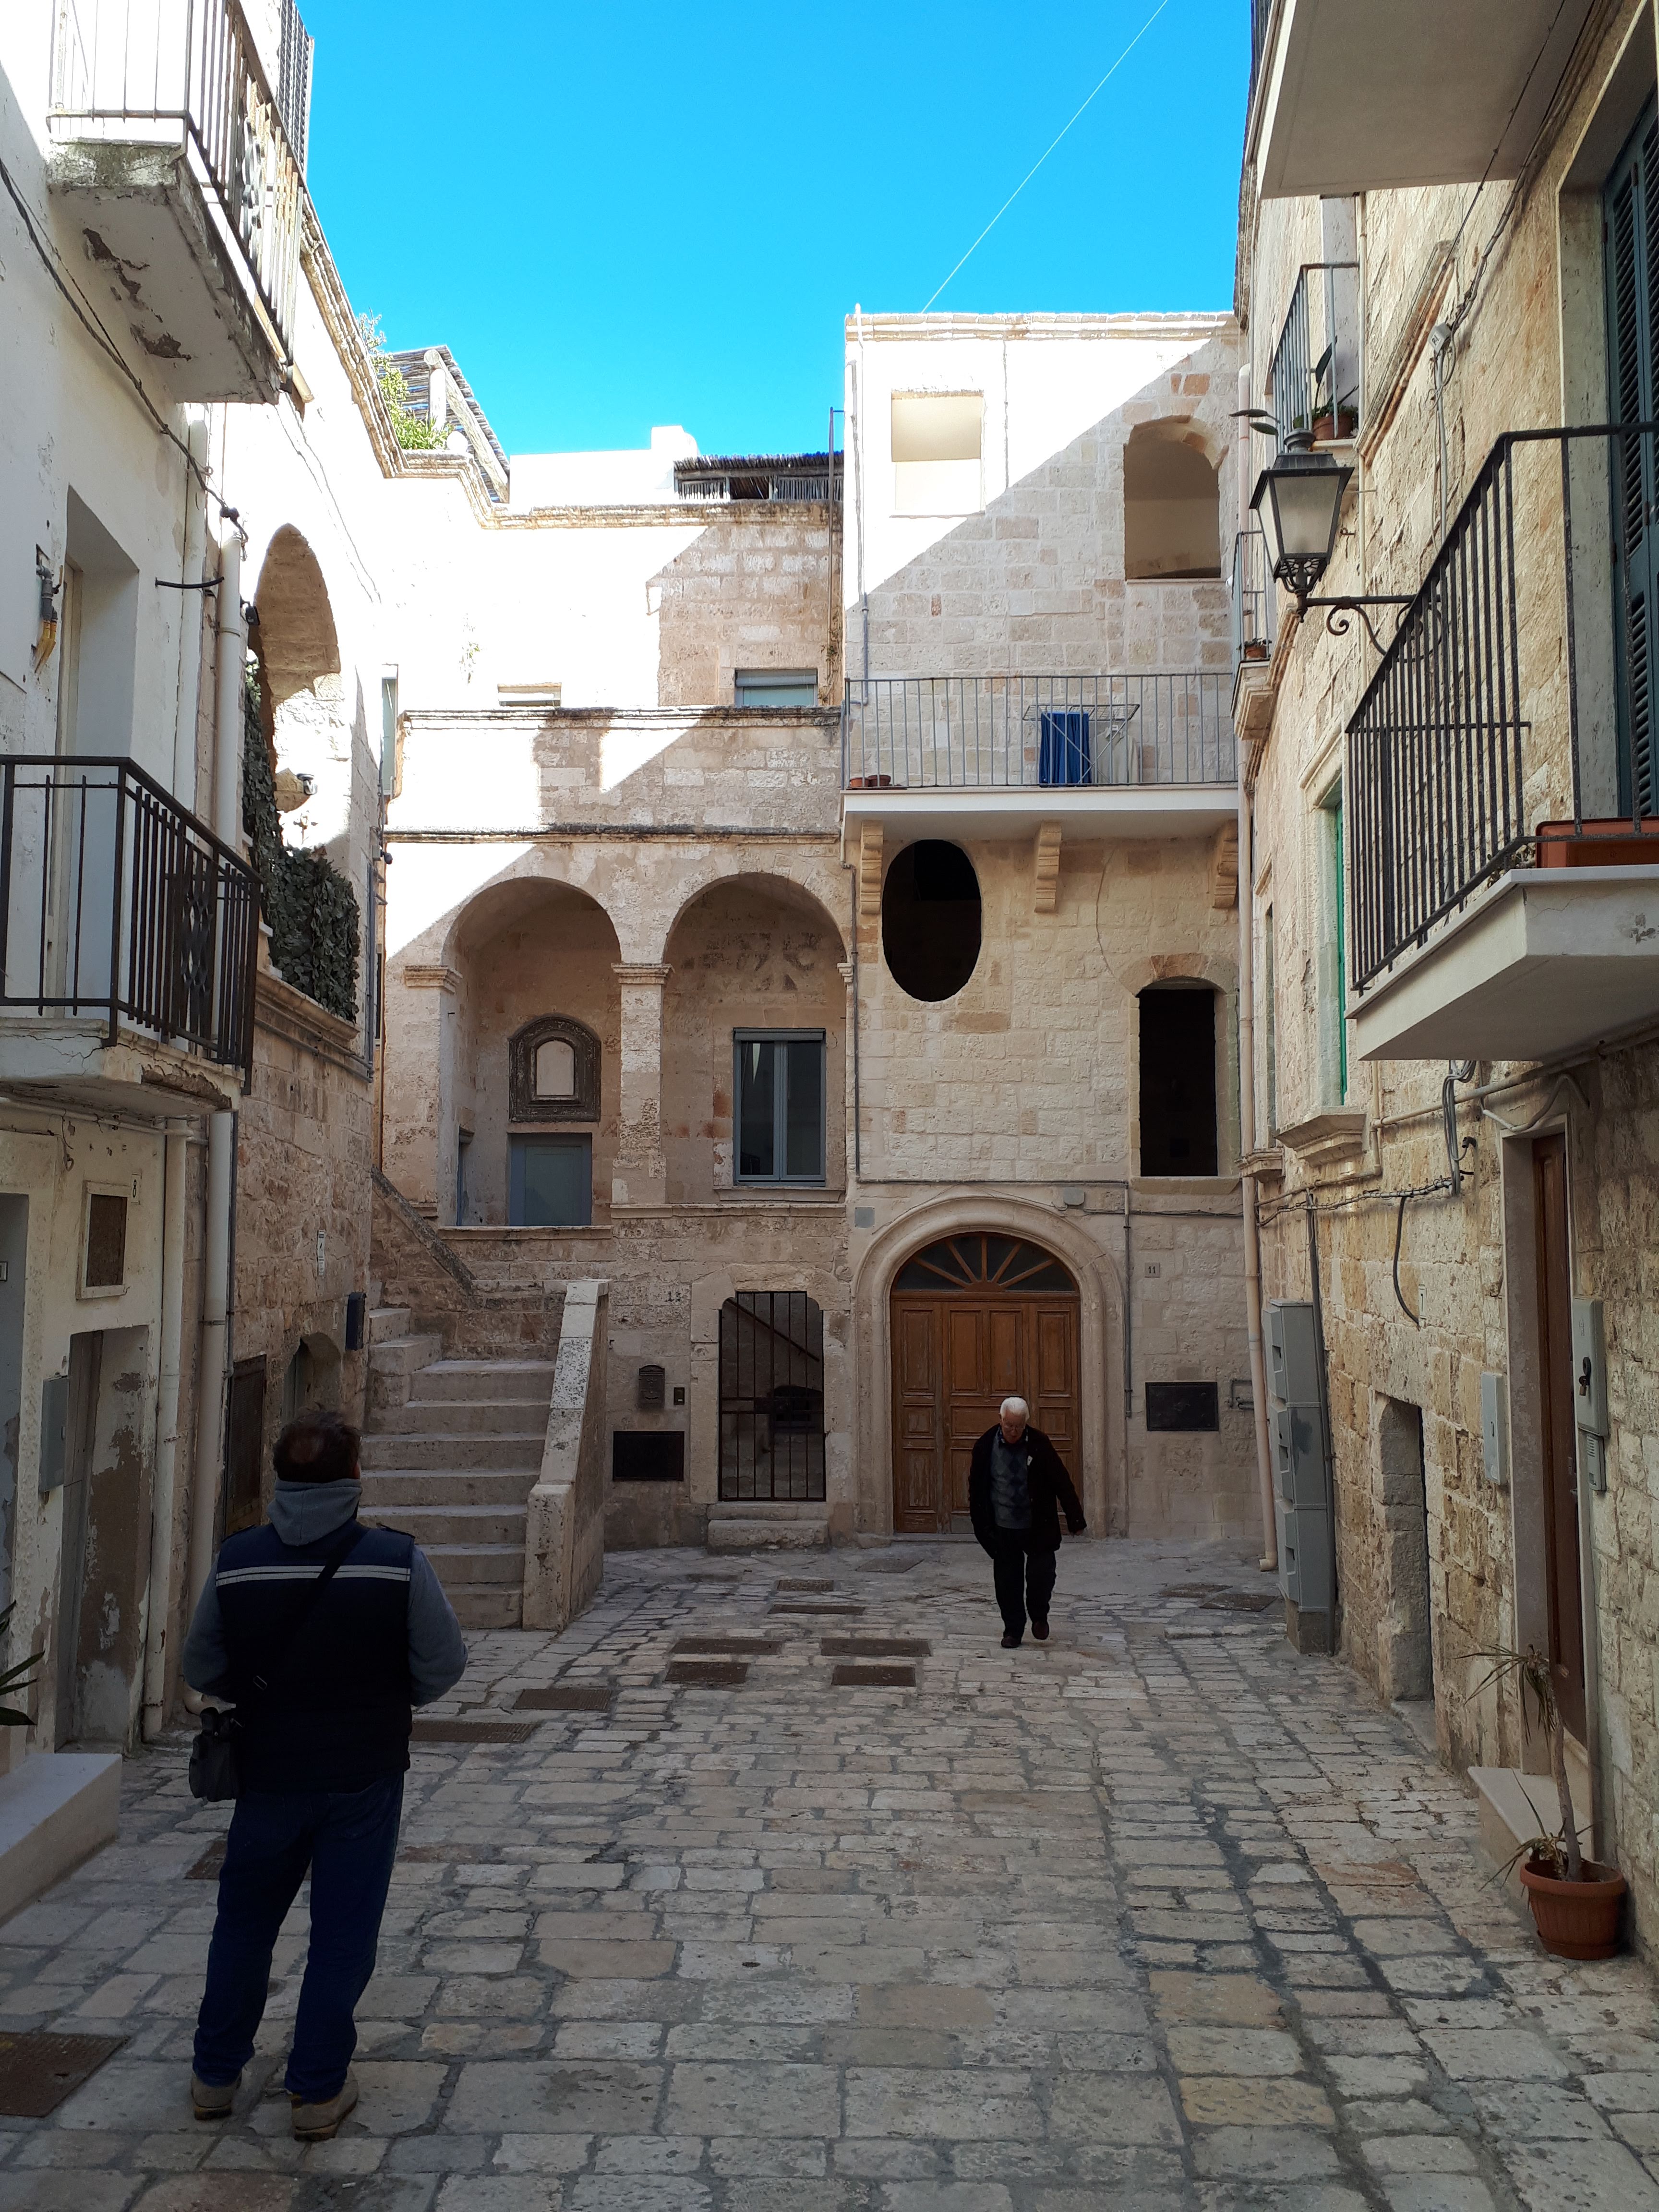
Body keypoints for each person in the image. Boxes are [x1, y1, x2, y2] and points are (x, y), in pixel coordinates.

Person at [183, 1407, 467, 2141]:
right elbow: (443, 1663)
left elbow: (200, 1664)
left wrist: (262, 1693)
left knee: (244, 1924)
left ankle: (214, 2076)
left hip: (269, 1773)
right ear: (355, 1476)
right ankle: (315, 2090)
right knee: (343, 1933)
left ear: (279, 1475)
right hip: (363, 1775)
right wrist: (382, 1699)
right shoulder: (396, 1561)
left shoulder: (238, 1559)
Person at [968, 1395, 1086, 1648]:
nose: (1013, 1431)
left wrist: (1075, 1518)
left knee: (1042, 1577)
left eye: (1019, 1426)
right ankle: (1013, 1631)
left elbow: (1061, 1481)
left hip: (1038, 1525)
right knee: (1007, 1582)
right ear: (1001, 1420)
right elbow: (977, 1491)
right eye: (1009, 1425)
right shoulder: (985, 1446)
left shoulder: (1040, 1444)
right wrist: (983, 1530)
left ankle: (1039, 1616)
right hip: (1003, 1526)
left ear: (1026, 1423)